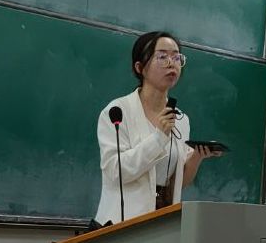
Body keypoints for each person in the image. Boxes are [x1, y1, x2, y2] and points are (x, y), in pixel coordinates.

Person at [92, 31, 222, 228]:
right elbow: (116, 172)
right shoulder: (117, 112)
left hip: (162, 225)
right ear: (140, 68)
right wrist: (159, 137)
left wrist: (197, 156)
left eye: (176, 57)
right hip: (120, 225)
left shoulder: (180, 119)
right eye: (162, 57)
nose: (172, 63)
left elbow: (177, 183)